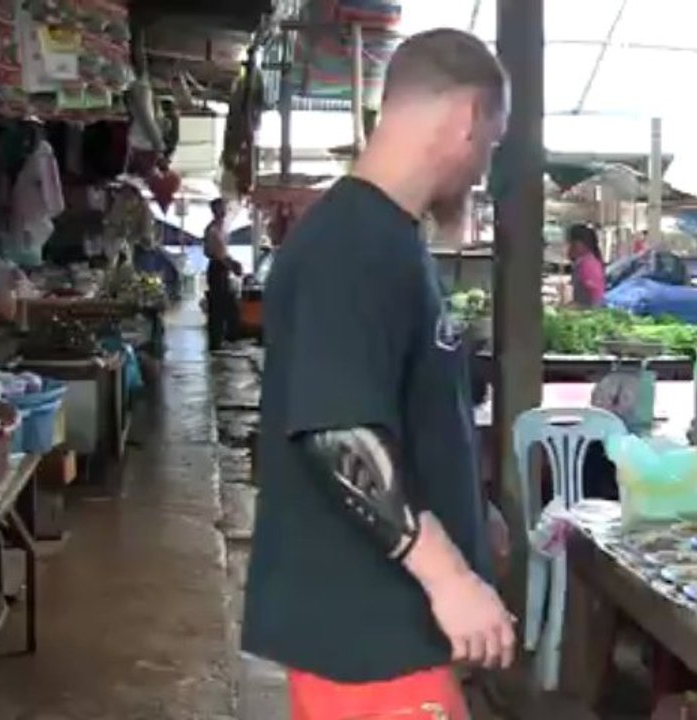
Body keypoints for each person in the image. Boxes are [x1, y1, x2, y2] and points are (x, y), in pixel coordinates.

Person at [242, 29, 513, 720]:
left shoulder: (386, 237)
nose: (482, 169)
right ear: (467, 118)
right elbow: (341, 435)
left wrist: (470, 511)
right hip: (368, 639)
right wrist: (450, 578)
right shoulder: (352, 244)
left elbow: (397, 405)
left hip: (380, 630)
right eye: (491, 144)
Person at [204, 198, 241, 348]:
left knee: (227, 305)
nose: (225, 211)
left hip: (222, 268)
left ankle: (225, 339)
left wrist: (231, 263)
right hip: (217, 268)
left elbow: (223, 252)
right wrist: (231, 265)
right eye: (221, 208)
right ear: (215, 211)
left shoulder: (221, 228)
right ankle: (218, 341)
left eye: (225, 208)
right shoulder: (213, 230)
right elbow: (216, 253)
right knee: (221, 306)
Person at [567, 223, 606, 307]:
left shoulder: (588, 264)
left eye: (573, 244)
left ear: (583, 244)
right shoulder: (581, 262)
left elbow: (595, 293)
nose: (570, 247)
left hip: (589, 310)